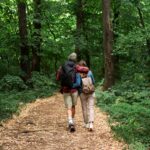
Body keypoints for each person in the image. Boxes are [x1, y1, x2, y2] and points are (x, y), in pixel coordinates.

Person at [56, 52, 80, 132]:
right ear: (75, 59)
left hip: (66, 89)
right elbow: (85, 71)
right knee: (73, 106)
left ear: (68, 58)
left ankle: (70, 121)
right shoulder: (76, 67)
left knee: (69, 107)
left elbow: (58, 78)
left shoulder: (62, 66)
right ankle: (72, 120)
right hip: (74, 90)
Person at [76, 60, 95, 131]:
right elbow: (93, 81)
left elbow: (78, 84)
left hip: (82, 93)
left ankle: (86, 123)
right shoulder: (90, 72)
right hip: (91, 92)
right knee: (91, 107)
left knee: (84, 108)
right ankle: (91, 124)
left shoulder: (78, 73)